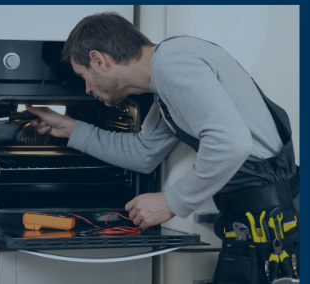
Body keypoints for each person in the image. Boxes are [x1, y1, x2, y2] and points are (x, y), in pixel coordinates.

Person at [27, 12, 298, 283]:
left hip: (272, 223)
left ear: (100, 61)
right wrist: (67, 128)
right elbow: (143, 153)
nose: (86, 89)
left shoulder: (173, 63)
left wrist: (171, 201)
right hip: (250, 222)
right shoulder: (165, 79)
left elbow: (232, 143)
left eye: (83, 75)